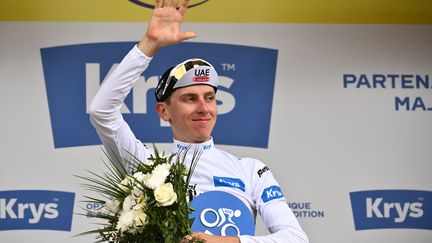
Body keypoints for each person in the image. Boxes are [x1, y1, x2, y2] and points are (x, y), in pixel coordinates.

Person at [89, 0, 309, 242]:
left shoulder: (251, 170)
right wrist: (148, 45)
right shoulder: (147, 166)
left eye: (210, 98)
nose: (204, 108)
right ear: (164, 111)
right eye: (190, 98)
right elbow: (102, 111)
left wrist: (226, 242)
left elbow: (295, 238)